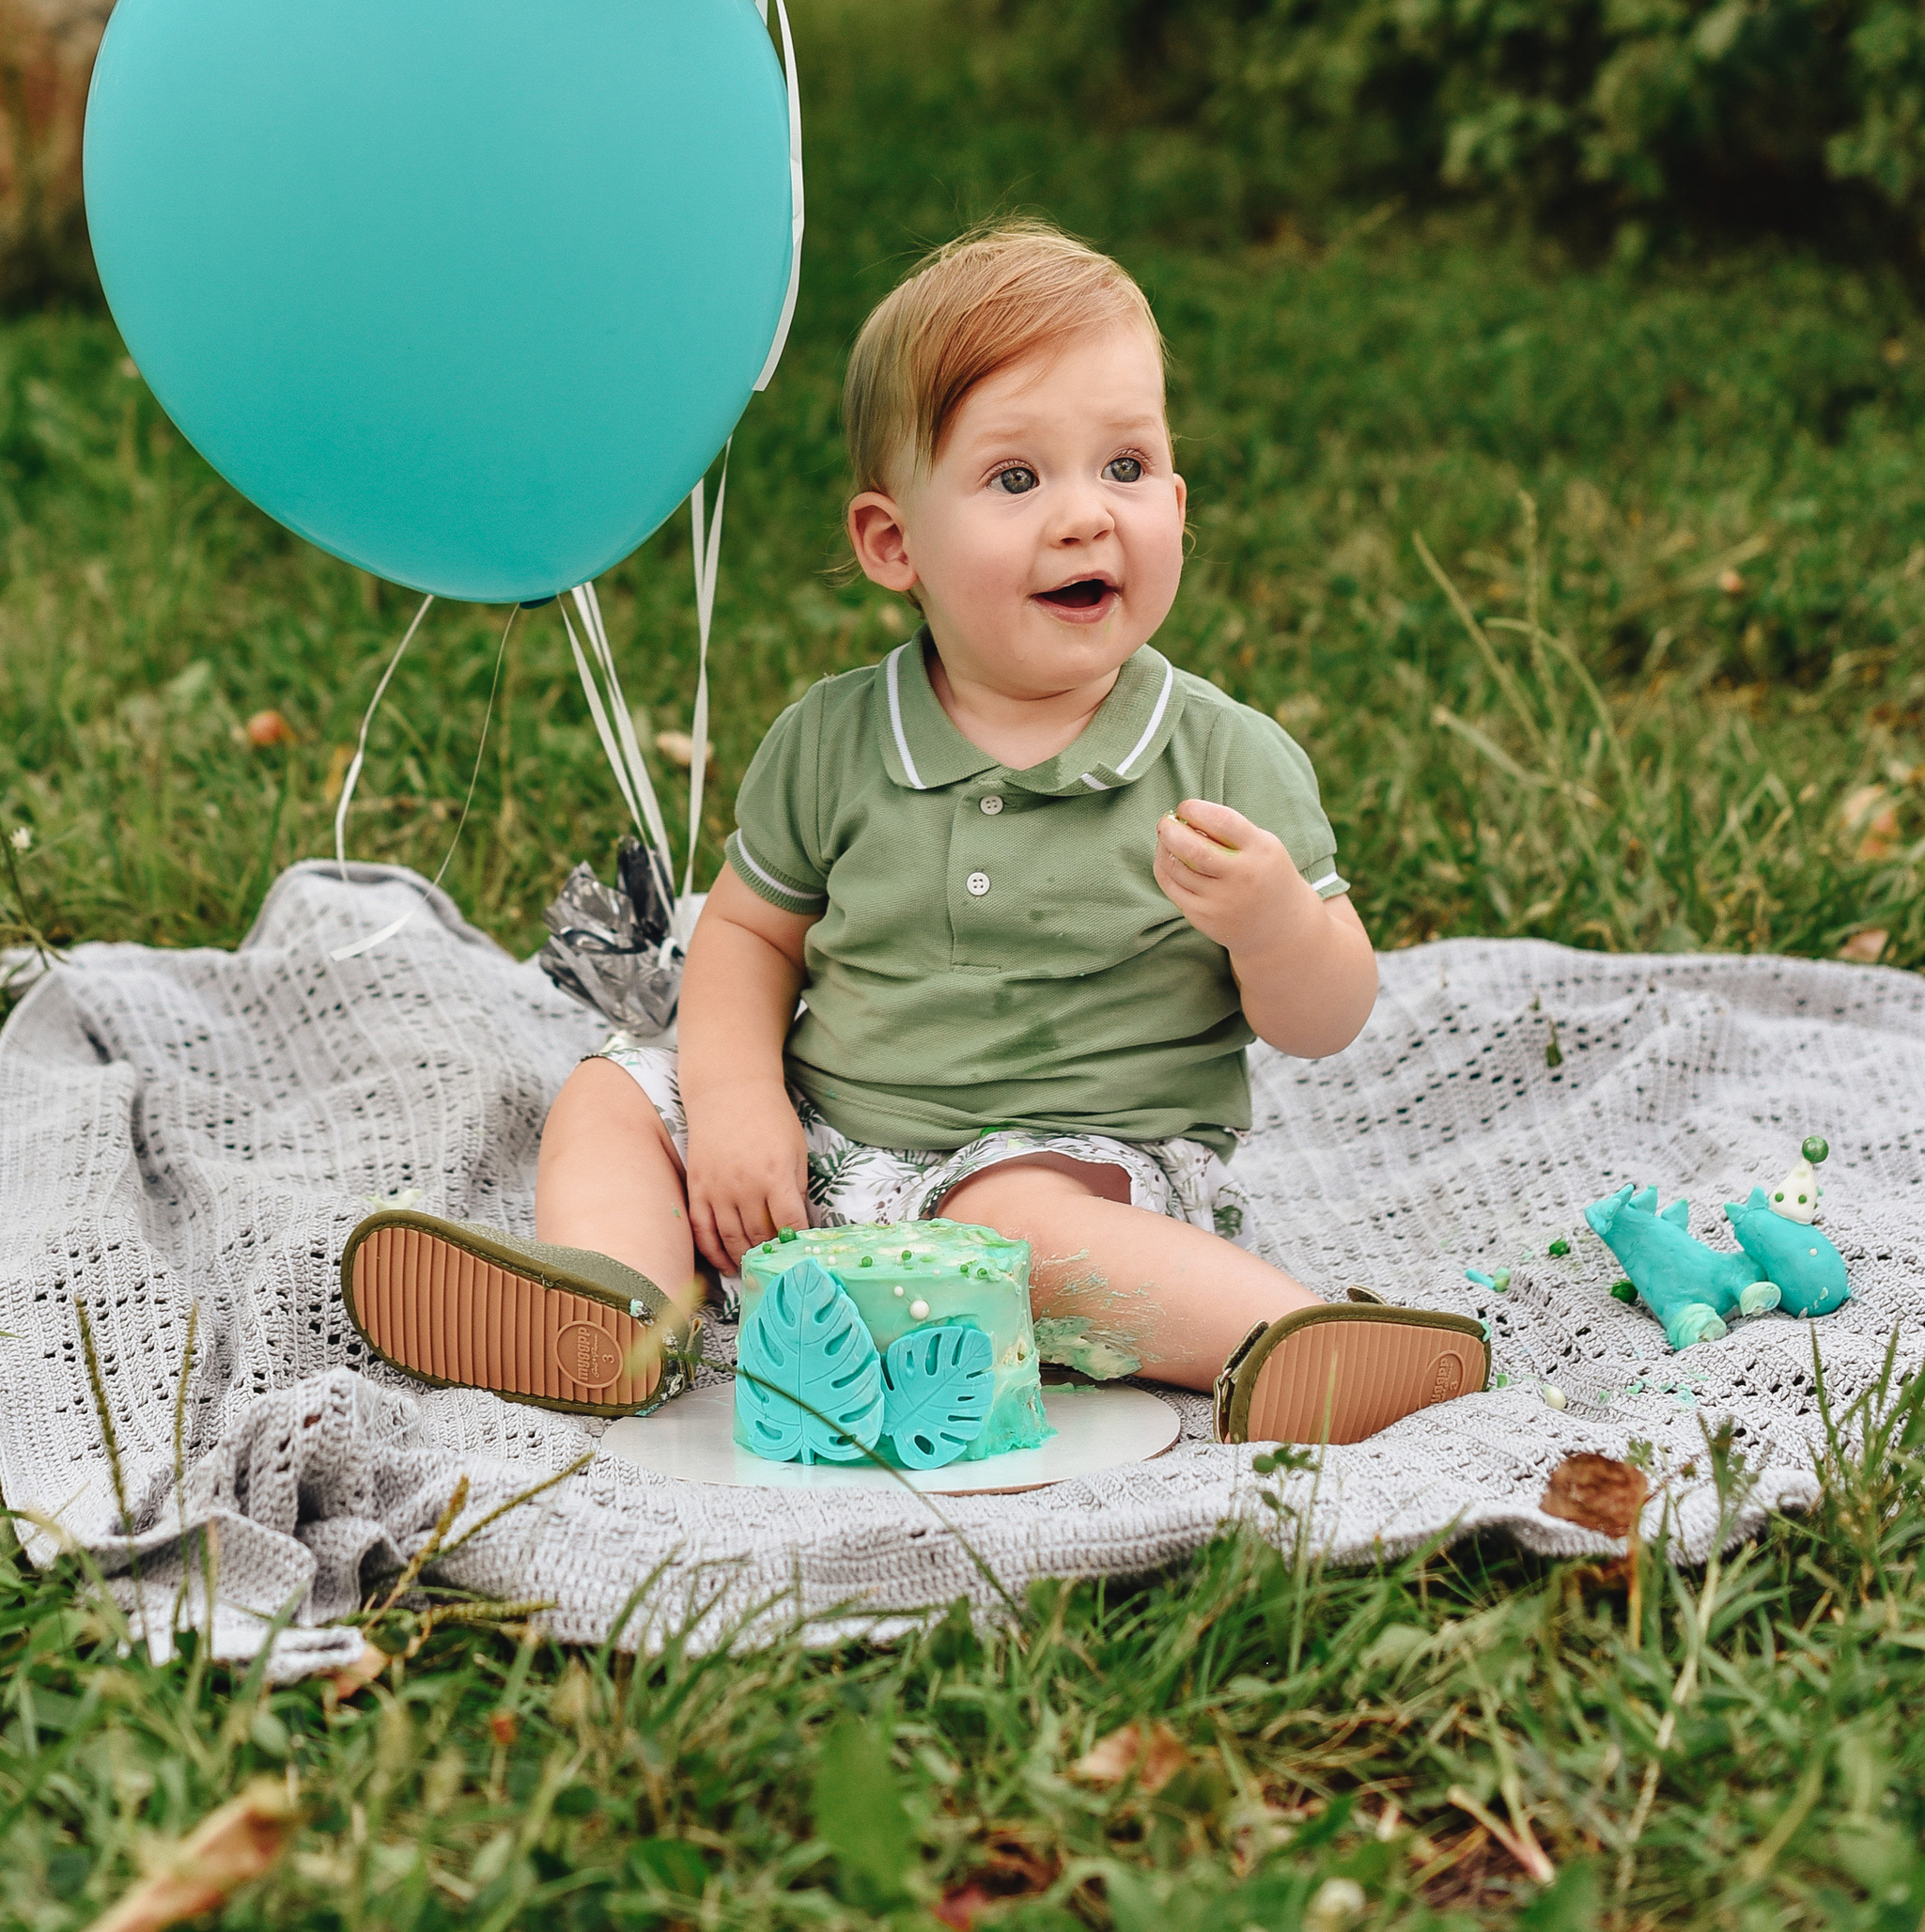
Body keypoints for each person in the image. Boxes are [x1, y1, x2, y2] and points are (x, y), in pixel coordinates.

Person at [340, 225, 1484, 1445]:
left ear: (1179, 501)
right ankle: (618, 1305)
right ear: (896, 544)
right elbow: (748, 933)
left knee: (1030, 1233)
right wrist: (735, 1105)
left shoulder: (1221, 758)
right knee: (613, 1092)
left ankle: (1289, 1339)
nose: (1088, 517)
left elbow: (1328, 1016)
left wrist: (1275, 923)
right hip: (819, 1156)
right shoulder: (834, 741)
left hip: (1076, 1164)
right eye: (1016, 478)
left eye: (1128, 465)